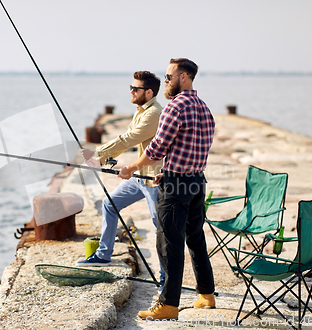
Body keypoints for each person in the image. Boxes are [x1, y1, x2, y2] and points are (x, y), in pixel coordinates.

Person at [118, 58, 216, 320]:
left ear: (184, 77)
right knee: (195, 239)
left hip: (177, 187)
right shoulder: (204, 107)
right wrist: (169, 171)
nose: (166, 81)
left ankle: (168, 304)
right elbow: (195, 149)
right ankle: (206, 294)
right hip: (196, 182)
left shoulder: (175, 107)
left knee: (169, 244)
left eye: (169, 76)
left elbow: (157, 148)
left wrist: (132, 168)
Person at [76, 71, 166, 284]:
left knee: (159, 228)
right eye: (131, 87)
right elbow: (126, 138)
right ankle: (103, 254)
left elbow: (129, 139)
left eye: (135, 88)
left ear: (149, 92)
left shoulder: (154, 113)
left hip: (154, 180)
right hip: (141, 176)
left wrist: (98, 154)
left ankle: (166, 277)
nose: (131, 91)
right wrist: (102, 155)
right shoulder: (141, 111)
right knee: (110, 203)